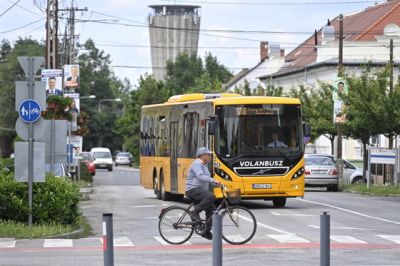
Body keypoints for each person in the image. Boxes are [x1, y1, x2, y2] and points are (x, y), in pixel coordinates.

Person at [185, 147, 222, 240]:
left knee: (213, 210)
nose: (210, 157)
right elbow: (200, 176)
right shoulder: (197, 164)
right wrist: (214, 180)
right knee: (211, 196)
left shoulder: (204, 165)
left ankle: (205, 231)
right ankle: (194, 212)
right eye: (208, 155)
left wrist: (216, 184)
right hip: (193, 190)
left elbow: (206, 181)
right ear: (203, 156)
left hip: (200, 190)